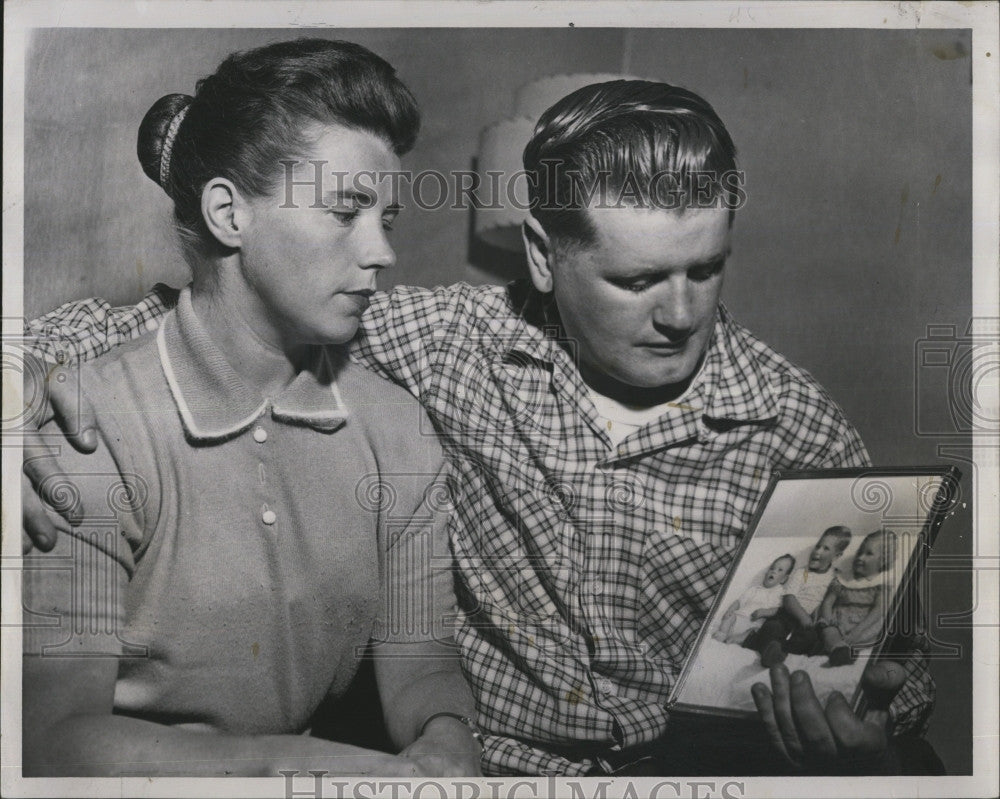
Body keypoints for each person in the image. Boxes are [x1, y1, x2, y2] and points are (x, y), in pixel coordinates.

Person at [20, 76, 940, 775]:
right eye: (636, 280)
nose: (680, 313)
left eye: (706, 269)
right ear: (542, 256)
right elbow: (209, 318)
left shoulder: (797, 424)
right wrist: (21, 379)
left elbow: (895, 670)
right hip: (490, 772)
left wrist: (870, 726)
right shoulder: (452, 345)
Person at [19, 39, 482, 777]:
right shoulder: (87, 425)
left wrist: (445, 737)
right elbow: (48, 743)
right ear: (230, 213)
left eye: (386, 218)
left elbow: (420, 661)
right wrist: (303, 771)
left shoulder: (399, 430)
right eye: (346, 211)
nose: (383, 252)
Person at [745, 525, 854, 668]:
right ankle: (768, 649)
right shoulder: (802, 572)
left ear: (837, 556)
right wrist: (803, 617)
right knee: (773, 627)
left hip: (812, 623)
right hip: (789, 615)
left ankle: (780, 653)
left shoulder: (835, 576)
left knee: (810, 638)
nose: (818, 551)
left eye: (826, 549)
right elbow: (789, 598)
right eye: (818, 546)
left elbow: (836, 599)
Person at [787, 530, 898, 667]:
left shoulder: (881, 584)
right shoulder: (843, 579)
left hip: (862, 625)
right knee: (827, 630)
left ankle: (840, 649)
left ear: (883, 561)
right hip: (836, 620)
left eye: (868, 554)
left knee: (877, 628)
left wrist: (857, 631)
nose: (860, 557)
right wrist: (827, 620)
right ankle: (836, 650)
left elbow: (879, 610)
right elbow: (828, 602)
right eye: (859, 552)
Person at [713, 554, 796, 645]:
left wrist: (765, 612)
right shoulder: (754, 589)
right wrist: (730, 610)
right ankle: (723, 633)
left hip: (754, 625)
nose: (774, 572)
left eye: (780, 570)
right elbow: (738, 602)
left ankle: (736, 639)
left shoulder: (780, 593)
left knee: (756, 631)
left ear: (784, 579)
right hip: (738, 619)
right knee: (729, 618)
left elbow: (779, 610)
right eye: (772, 568)